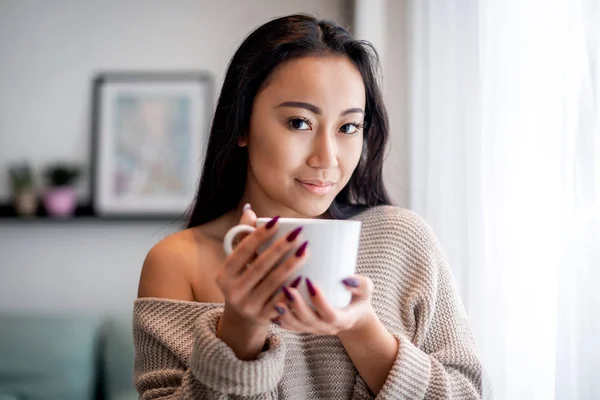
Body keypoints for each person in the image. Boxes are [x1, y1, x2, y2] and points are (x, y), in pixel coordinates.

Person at [133, 14, 483, 399]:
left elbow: (467, 393)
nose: (327, 158)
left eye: (348, 127)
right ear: (242, 125)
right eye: (300, 122)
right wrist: (240, 331)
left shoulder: (402, 239)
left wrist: (360, 327)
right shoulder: (179, 262)